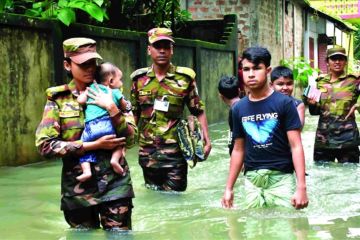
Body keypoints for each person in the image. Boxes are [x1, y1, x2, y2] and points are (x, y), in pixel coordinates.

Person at [35, 38, 137, 230]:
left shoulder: (112, 91)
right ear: (67, 65)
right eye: (83, 64)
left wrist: (113, 110)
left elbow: (132, 139)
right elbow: (45, 145)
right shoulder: (58, 100)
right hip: (78, 189)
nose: (89, 68)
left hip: (115, 184)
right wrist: (92, 146)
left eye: (92, 62)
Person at [221, 46, 308, 209]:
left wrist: (301, 187)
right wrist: (228, 188)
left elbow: (296, 146)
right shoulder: (238, 109)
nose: (251, 74)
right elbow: (238, 150)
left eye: (257, 68)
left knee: (285, 229)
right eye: (246, 69)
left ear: (267, 70)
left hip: (281, 178)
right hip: (252, 181)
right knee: (254, 229)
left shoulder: (285, 103)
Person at [130, 27, 212, 192]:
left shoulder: (185, 78)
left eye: (166, 46)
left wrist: (206, 140)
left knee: (174, 199)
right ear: (149, 50)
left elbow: (198, 110)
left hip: (176, 154)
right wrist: (125, 143)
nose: (162, 50)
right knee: (153, 198)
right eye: (157, 46)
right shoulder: (139, 80)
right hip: (148, 154)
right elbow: (134, 113)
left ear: (172, 50)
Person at [76, 62, 132, 182]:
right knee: (120, 142)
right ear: (111, 81)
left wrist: (84, 93)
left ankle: (86, 171)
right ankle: (114, 160)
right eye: (120, 80)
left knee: (84, 148)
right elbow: (124, 106)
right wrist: (120, 106)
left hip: (90, 127)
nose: (121, 83)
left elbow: (80, 100)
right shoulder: (115, 91)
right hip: (107, 124)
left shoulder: (91, 88)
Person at [305, 46, 360, 163]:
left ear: (345, 61)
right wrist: (312, 104)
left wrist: (358, 104)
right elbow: (314, 112)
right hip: (323, 140)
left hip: (348, 140)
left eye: (341, 58)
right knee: (323, 176)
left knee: (348, 176)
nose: (337, 62)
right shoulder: (319, 83)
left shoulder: (354, 81)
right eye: (333, 58)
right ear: (327, 62)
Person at [218, 75, 240, 155]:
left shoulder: (233, 110)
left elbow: (236, 138)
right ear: (239, 91)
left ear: (220, 96)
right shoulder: (245, 105)